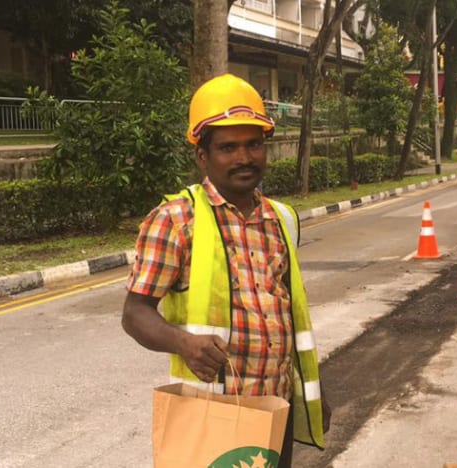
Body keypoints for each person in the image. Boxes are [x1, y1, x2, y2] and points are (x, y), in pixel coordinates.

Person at [121, 73, 329, 467]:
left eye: (253, 144)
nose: (244, 158)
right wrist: (184, 343)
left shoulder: (282, 218)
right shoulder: (176, 220)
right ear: (203, 156)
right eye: (228, 147)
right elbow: (134, 314)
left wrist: (311, 398)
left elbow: (288, 318)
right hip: (212, 415)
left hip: (276, 410)